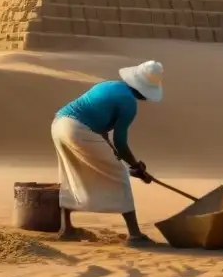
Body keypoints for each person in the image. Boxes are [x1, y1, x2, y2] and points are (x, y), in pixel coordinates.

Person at [51, 60, 163, 246]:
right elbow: (120, 142)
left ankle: (66, 229)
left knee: (71, 173)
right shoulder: (128, 103)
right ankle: (135, 235)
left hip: (59, 124)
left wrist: (117, 155)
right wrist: (135, 167)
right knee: (119, 175)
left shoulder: (109, 85)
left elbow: (101, 129)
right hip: (77, 130)